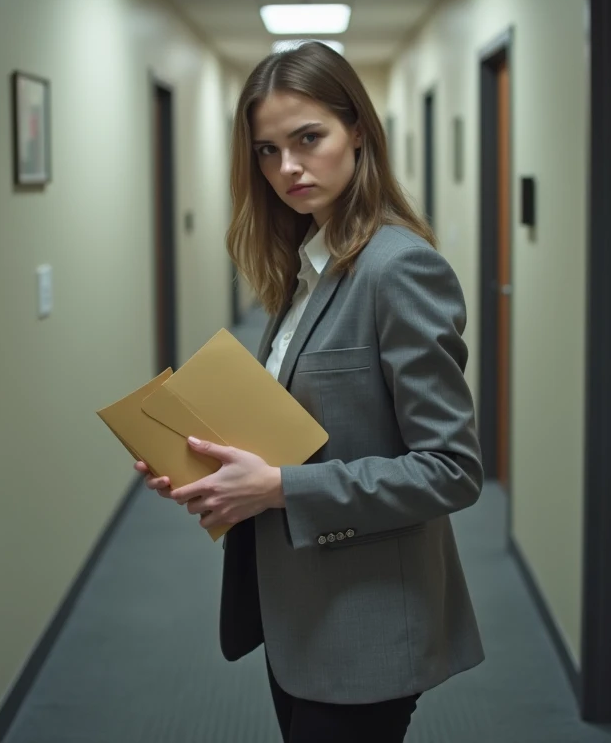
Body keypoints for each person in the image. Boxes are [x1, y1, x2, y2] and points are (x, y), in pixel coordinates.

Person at [135, 41, 484, 743]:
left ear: (357, 129)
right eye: (267, 151)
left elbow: (452, 470)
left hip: (368, 622)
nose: (287, 168)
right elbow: (304, 432)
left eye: (308, 138)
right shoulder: (308, 266)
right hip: (297, 608)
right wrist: (204, 468)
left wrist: (280, 489)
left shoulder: (398, 267)